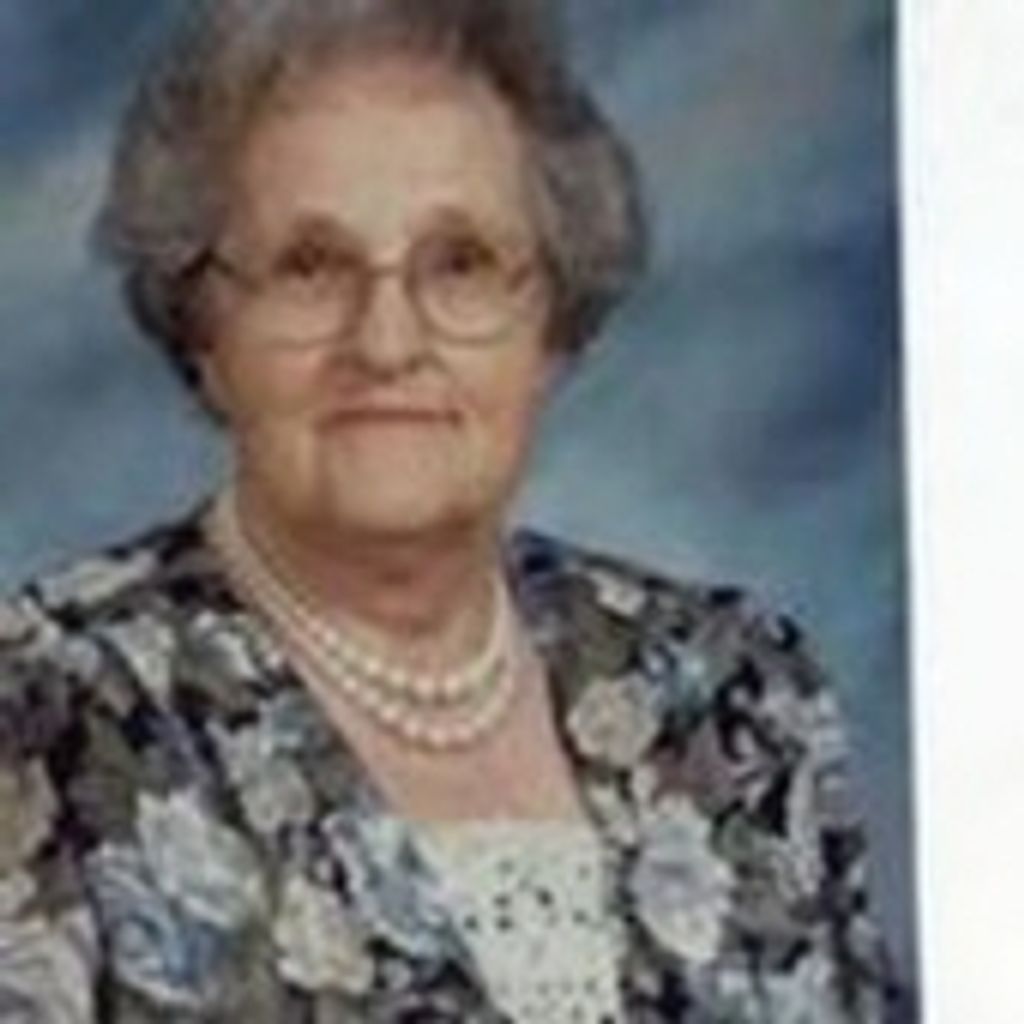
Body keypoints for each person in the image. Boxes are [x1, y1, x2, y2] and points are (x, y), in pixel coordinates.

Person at [0, 0, 896, 1020]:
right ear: (204, 330)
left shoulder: (736, 693)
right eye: (309, 265)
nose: (386, 343)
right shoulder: (49, 709)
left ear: (550, 322)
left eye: (460, 261)